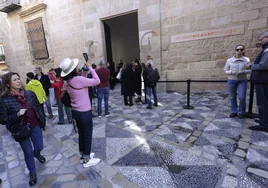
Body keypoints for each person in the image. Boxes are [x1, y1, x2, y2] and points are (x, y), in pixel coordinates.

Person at [0, 72, 46, 186]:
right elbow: (3, 119)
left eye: (18, 78)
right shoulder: (4, 99)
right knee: (28, 152)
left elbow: (38, 108)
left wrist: (42, 121)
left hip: (34, 125)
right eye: (15, 79)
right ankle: (32, 173)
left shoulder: (29, 93)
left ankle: (38, 153)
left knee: (39, 146)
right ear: (8, 84)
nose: (19, 81)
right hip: (20, 129)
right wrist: (17, 115)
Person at [60, 57, 101, 167]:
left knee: (82, 134)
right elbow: (97, 81)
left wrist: (84, 71)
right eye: (76, 66)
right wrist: (90, 68)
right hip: (84, 112)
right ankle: (87, 160)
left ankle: (84, 155)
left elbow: (82, 82)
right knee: (87, 134)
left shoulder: (68, 82)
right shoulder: (78, 80)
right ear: (73, 70)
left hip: (76, 112)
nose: (77, 67)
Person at [224, 45, 251, 118]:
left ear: (243, 51)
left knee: (242, 97)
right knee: (232, 97)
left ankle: (241, 112)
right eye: (238, 49)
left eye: (241, 49)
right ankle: (234, 111)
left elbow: (250, 69)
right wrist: (231, 72)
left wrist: (243, 71)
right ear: (235, 50)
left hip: (242, 80)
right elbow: (225, 70)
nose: (239, 51)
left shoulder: (246, 59)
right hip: (231, 80)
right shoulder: (229, 60)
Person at [248, 30, 268, 131]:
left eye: (261, 39)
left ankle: (264, 125)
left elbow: (263, 65)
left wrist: (251, 65)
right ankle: (264, 120)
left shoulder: (267, 50)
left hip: (264, 81)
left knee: (262, 103)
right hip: (263, 80)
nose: (260, 41)